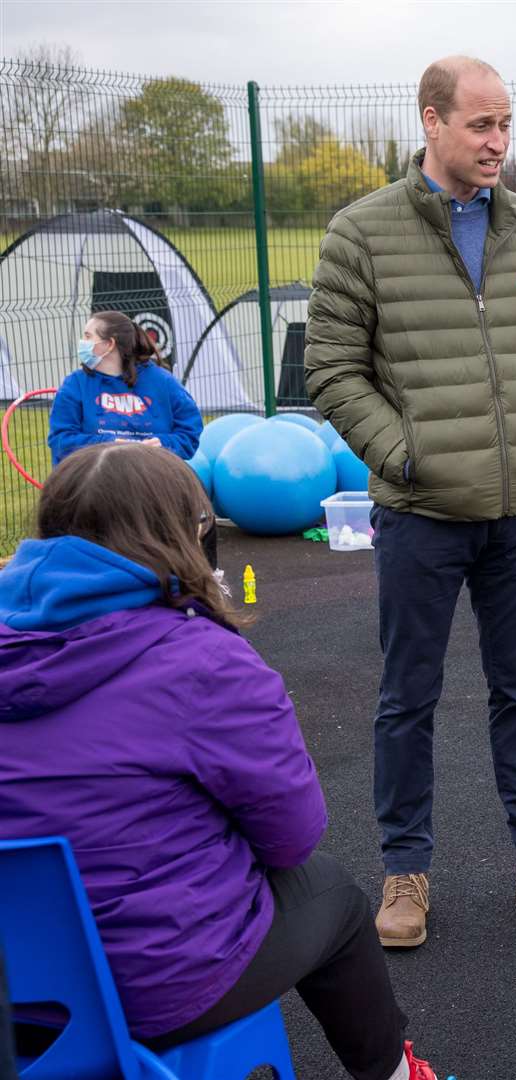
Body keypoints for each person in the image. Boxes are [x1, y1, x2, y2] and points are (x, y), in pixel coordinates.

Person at [0, 443, 440, 1080]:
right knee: (335, 896)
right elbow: (292, 837)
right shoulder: (203, 660)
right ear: (183, 533)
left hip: (15, 990)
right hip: (152, 990)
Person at [305, 54, 516, 949]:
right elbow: (331, 369)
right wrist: (405, 456)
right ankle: (406, 873)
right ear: (432, 121)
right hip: (421, 515)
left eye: (506, 123)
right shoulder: (360, 232)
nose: (499, 142)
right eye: (481, 125)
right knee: (408, 697)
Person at [48, 310, 213, 565]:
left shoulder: (162, 382)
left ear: (109, 344)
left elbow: (189, 434)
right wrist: (110, 448)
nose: (82, 342)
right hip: (95, 488)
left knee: (197, 501)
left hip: (150, 484)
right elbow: (61, 441)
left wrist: (163, 446)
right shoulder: (75, 385)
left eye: (88, 336)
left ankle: (201, 576)